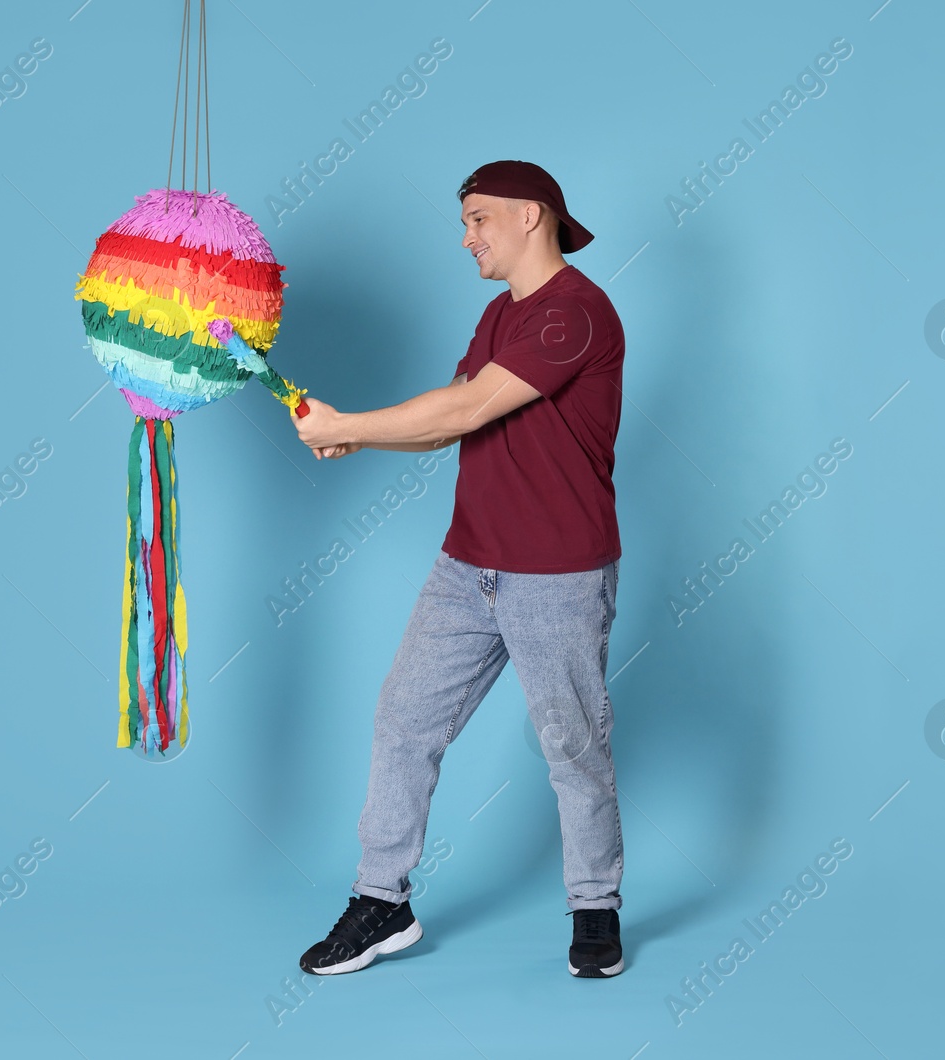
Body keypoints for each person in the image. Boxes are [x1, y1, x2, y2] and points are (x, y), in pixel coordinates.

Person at [290, 160, 629, 978]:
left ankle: (595, 907)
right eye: (465, 220)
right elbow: (447, 422)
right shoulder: (497, 315)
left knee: (570, 746)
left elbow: (474, 406)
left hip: (557, 573)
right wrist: (357, 433)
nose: (467, 236)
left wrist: (356, 424)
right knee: (404, 722)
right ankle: (382, 902)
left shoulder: (575, 315)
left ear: (530, 217)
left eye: (479, 218)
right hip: (467, 565)